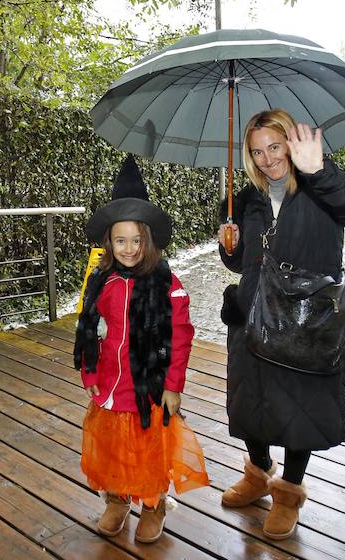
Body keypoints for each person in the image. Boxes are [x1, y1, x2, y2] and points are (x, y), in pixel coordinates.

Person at [217, 108, 345, 540]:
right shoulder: (245, 198)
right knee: (251, 403)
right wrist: (229, 247)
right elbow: (244, 262)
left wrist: (320, 170)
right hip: (253, 316)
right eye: (257, 151)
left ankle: (288, 493)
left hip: (307, 320)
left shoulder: (319, 184)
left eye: (275, 146)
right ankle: (257, 475)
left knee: (298, 407)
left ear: (292, 142)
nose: (268, 159)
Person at [74, 157, 209, 543]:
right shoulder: (102, 281)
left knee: (149, 453)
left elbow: (180, 336)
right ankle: (116, 499)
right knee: (112, 449)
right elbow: (88, 332)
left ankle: (153, 504)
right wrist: (89, 373)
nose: (129, 248)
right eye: (120, 240)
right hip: (111, 388)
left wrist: (173, 386)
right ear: (109, 243)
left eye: (136, 240)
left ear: (148, 239)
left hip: (148, 390)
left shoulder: (167, 283)